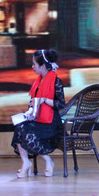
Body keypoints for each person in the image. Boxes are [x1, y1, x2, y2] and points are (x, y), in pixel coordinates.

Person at [11, 49, 65, 178]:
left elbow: (61, 104)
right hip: (37, 118)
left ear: (43, 66)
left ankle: (48, 161)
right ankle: (26, 162)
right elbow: (34, 102)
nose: (32, 66)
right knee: (19, 127)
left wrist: (45, 100)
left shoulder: (56, 81)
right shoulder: (38, 81)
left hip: (51, 122)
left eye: (34, 64)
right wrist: (30, 109)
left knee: (26, 131)